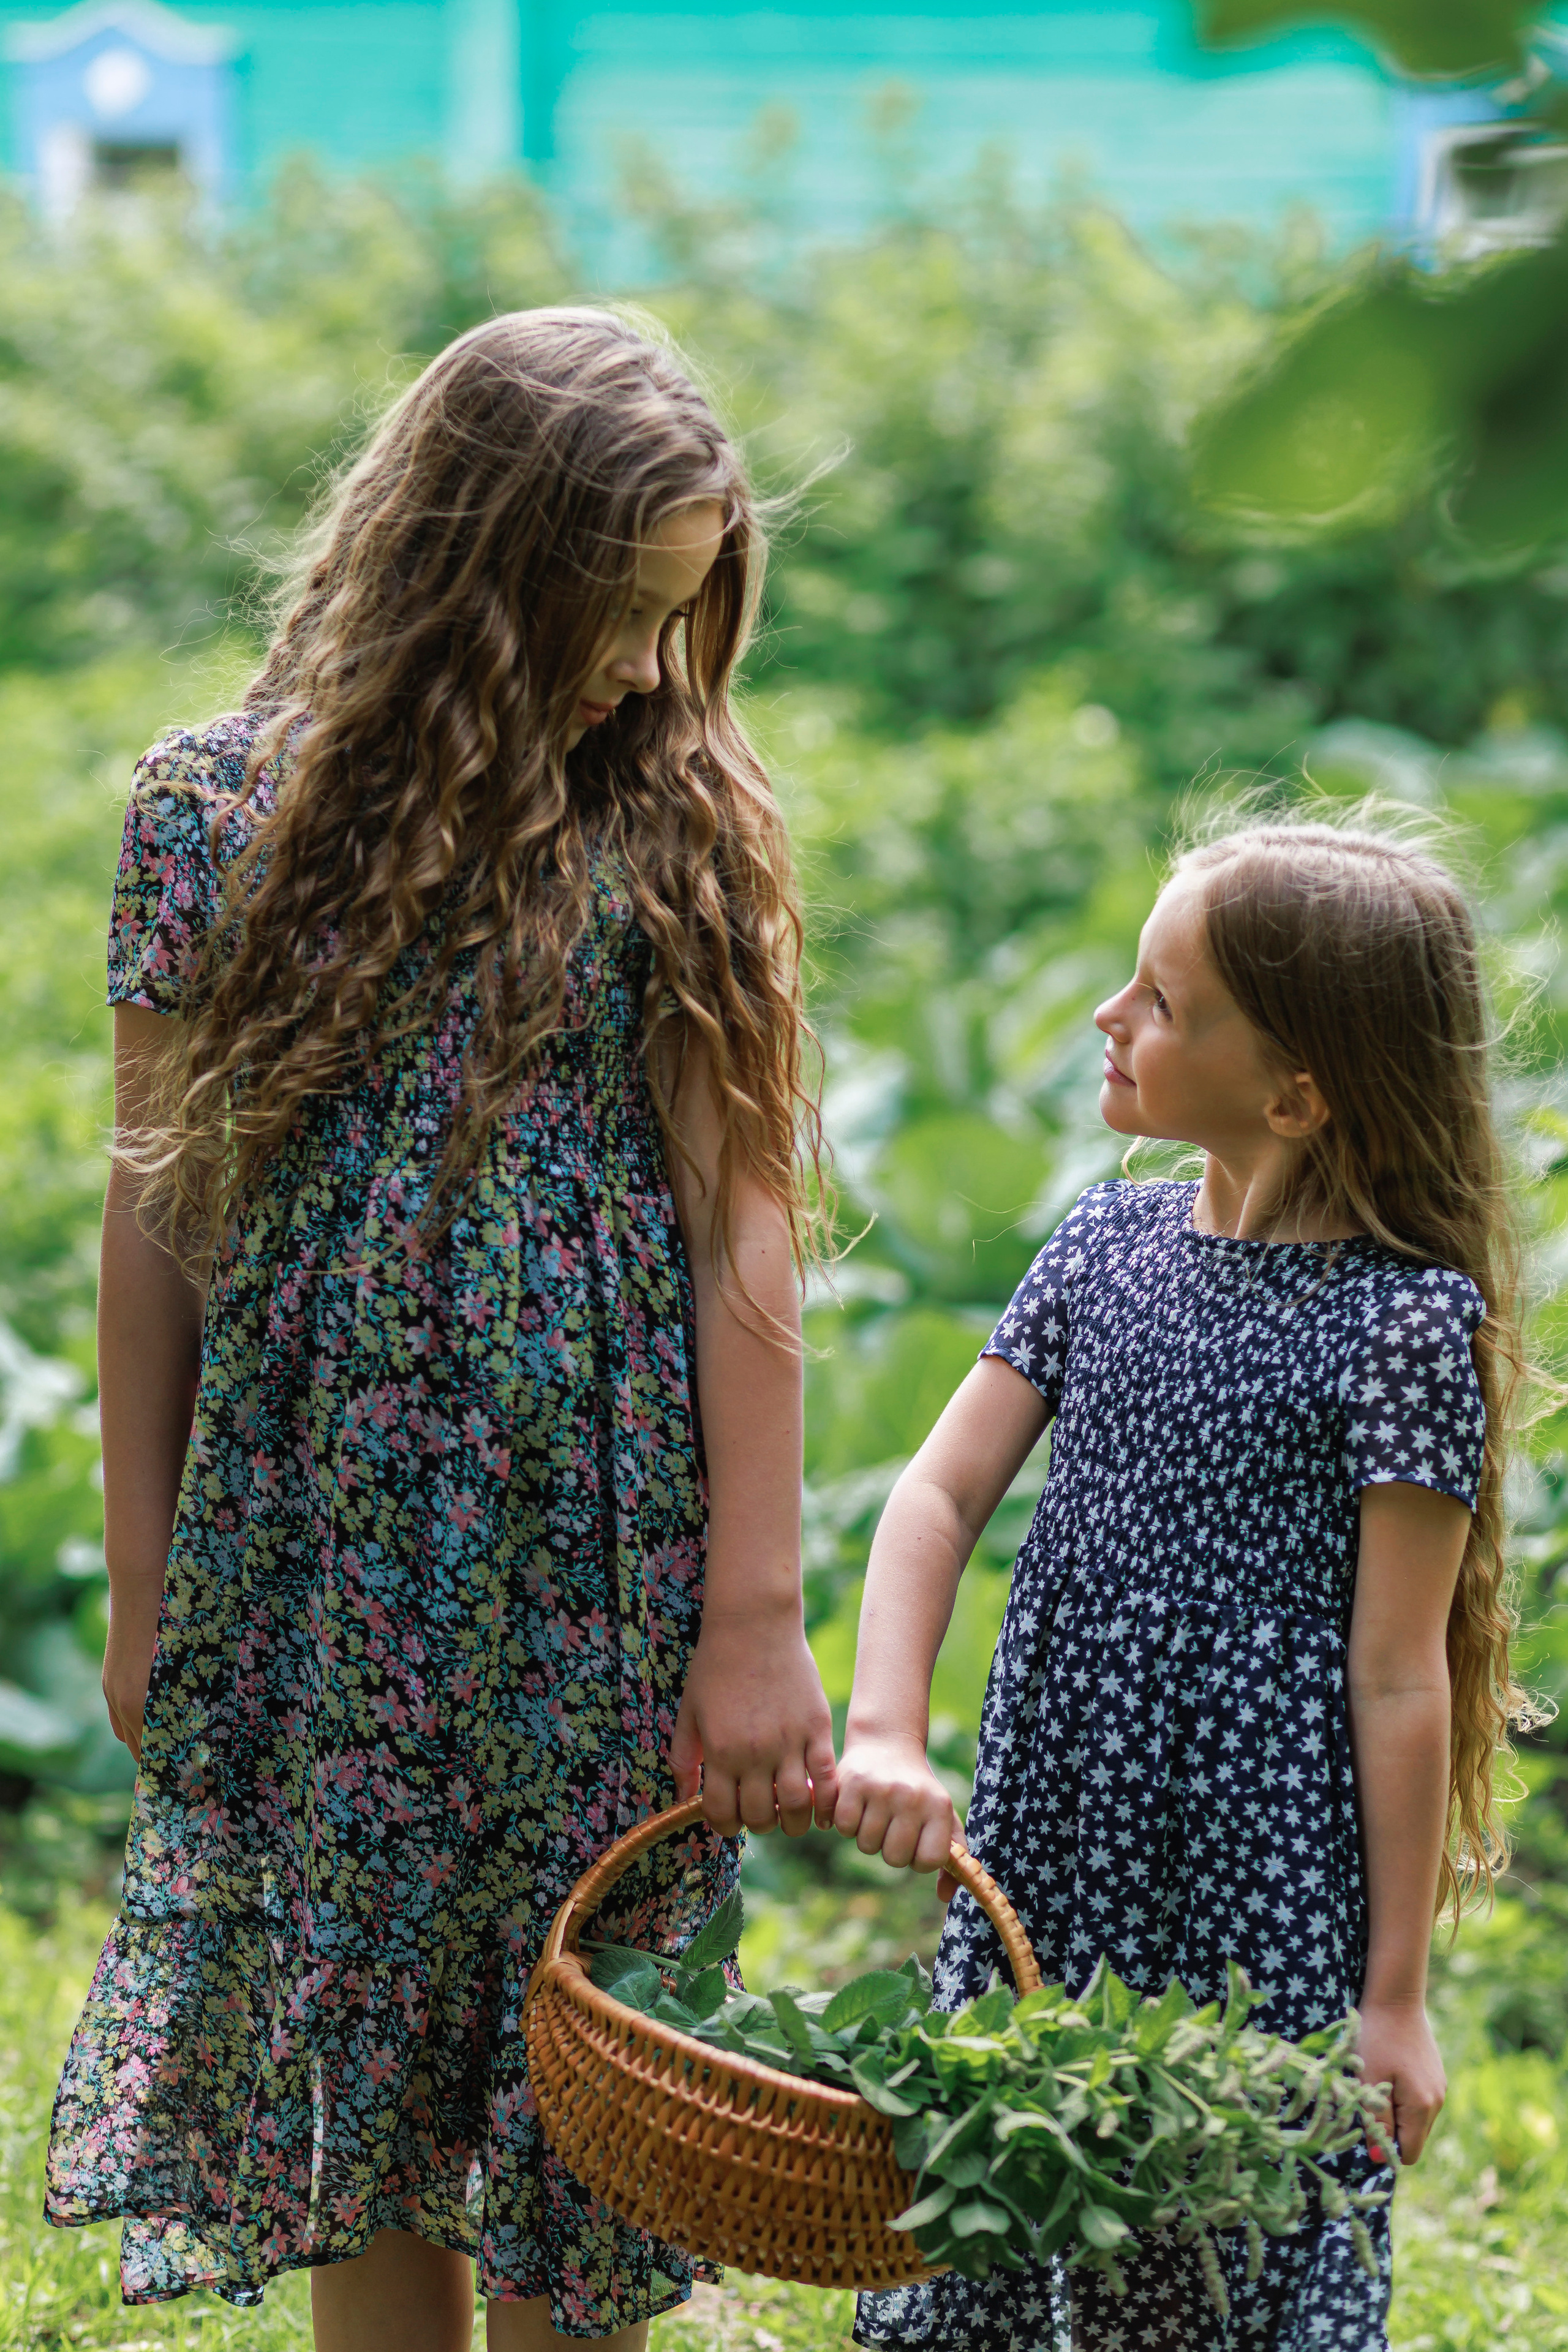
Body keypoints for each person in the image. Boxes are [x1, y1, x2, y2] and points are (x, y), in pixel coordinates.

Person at [45, 308, 839, 2352]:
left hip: (599, 1555)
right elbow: (157, 1225)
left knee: (591, 2088)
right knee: (357, 2070)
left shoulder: (673, 809)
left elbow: (746, 1219)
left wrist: (756, 1609)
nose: (653, 667)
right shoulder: (214, 812)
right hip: (319, 1556)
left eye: (687, 616)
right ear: (478, 571)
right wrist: (149, 1578)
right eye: (620, 612)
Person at [834, 816, 1542, 2351]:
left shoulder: (1405, 1323)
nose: (1110, 1015)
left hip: (1261, 1884)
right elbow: (937, 1493)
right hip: (1056, 1828)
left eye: (1162, 1001)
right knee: (1005, 2181)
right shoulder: (1103, 1243)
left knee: (1219, 2237)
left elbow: (1398, 1672)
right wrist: (884, 1726)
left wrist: (1394, 1997)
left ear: (1293, 1092)